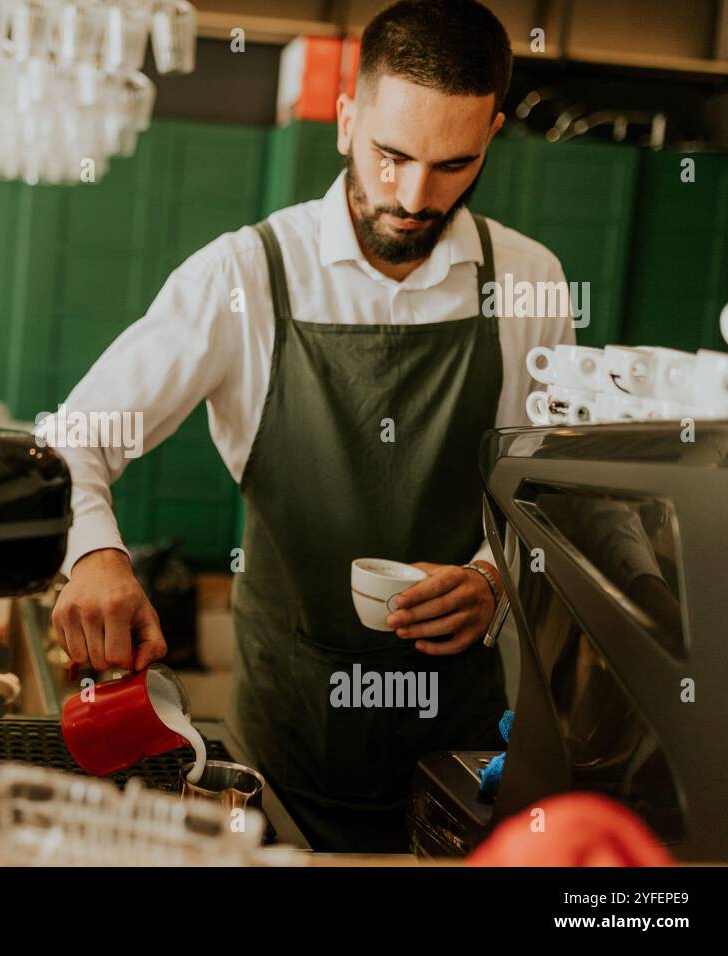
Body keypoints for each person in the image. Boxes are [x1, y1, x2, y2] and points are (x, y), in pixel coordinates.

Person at [49, 0, 575, 851]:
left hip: (464, 752)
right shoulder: (245, 276)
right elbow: (72, 434)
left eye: (453, 164)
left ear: (491, 139)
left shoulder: (531, 283)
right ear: (345, 121)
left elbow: (544, 494)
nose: (413, 196)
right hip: (286, 745)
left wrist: (492, 581)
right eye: (391, 155)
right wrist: (96, 554)